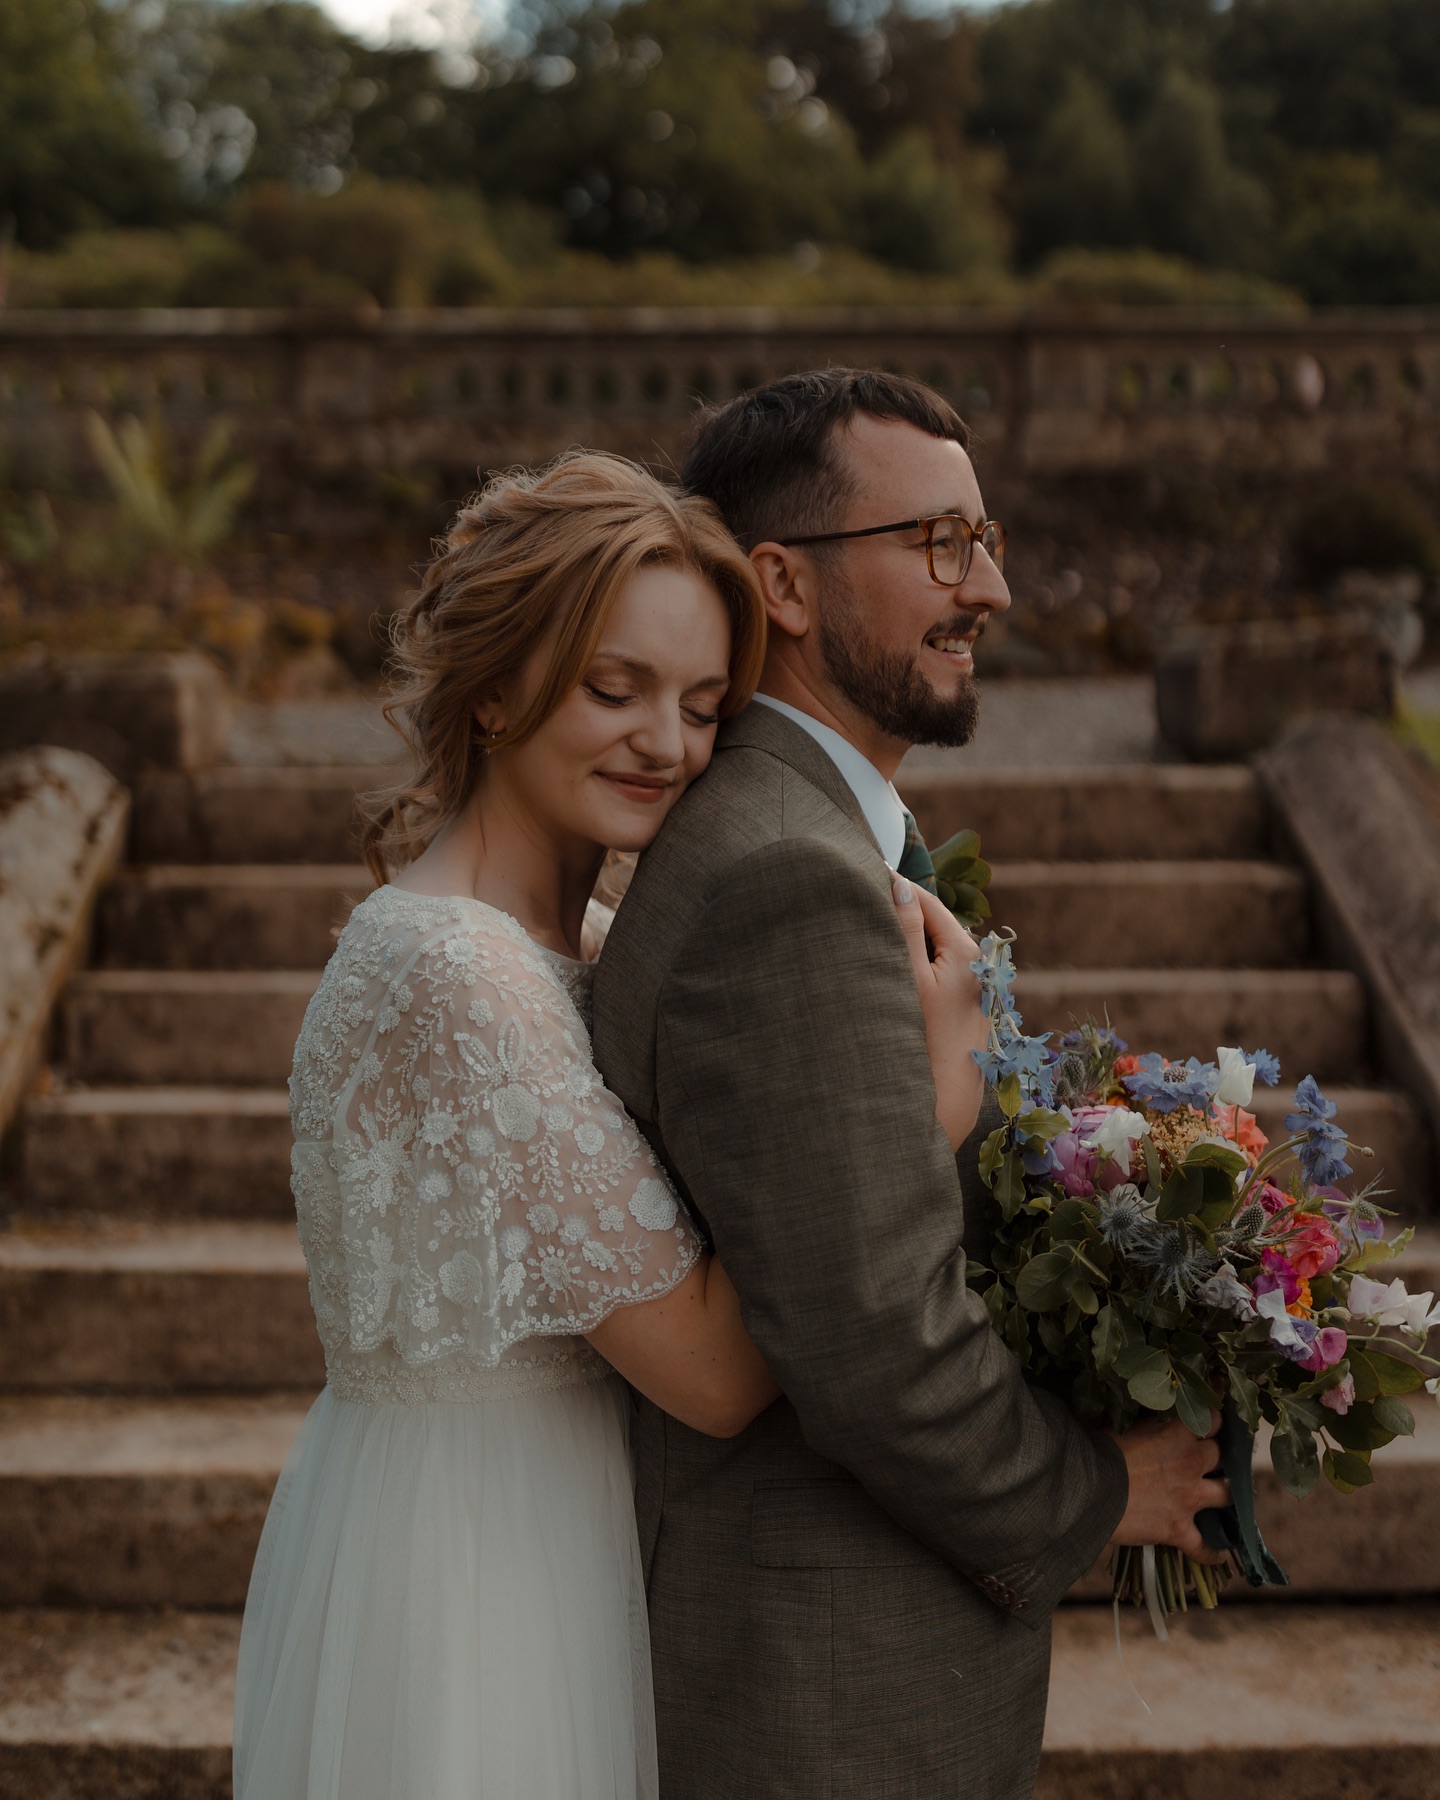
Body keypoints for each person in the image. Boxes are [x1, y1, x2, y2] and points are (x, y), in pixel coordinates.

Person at [230, 449, 989, 1800]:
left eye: (704, 705)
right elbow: (709, 1371)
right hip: (477, 1571)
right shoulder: (457, 976)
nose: (668, 745)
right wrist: (921, 1120)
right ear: (498, 685)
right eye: (614, 688)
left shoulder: (573, 943)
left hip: (544, 1527)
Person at [591, 370, 1230, 1799]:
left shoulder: (816, 841)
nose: (991, 587)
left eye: (988, 540)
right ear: (786, 588)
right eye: (940, 544)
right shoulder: (788, 884)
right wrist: (1104, 1491)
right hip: (823, 1688)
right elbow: (878, 1347)